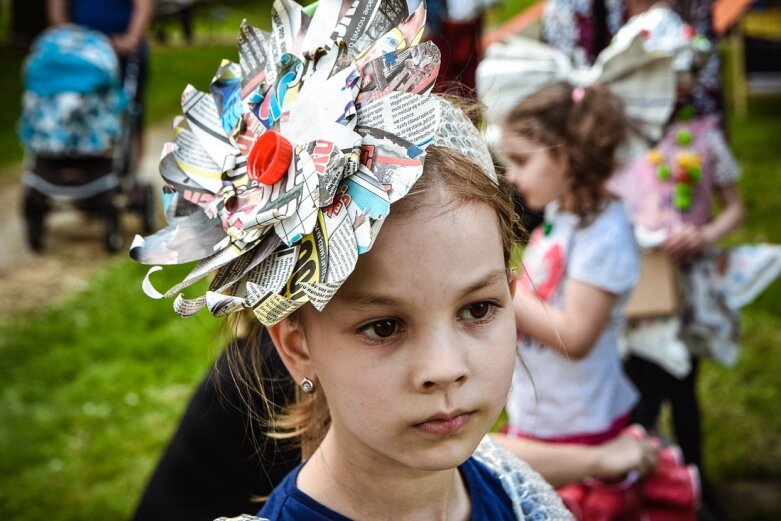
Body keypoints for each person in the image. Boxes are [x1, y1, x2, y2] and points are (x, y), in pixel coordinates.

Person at [130, 1, 571, 519]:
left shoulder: (520, 496)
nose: (445, 369)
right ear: (297, 347)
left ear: (512, 297)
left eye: (478, 309)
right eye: (384, 326)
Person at [609, 3, 746, 518]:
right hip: (639, 288)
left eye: (682, 74)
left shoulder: (706, 137)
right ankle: (638, 484)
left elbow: (735, 208)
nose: (675, 85)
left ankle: (693, 480)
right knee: (639, 388)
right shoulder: (622, 143)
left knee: (684, 388)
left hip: (688, 287)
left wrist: (704, 233)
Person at [47, 0, 153, 167]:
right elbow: (57, 6)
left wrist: (132, 38)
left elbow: (143, 5)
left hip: (122, 52)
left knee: (131, 110)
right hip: (83, 53)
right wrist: (66, 36)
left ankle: (131, 168)